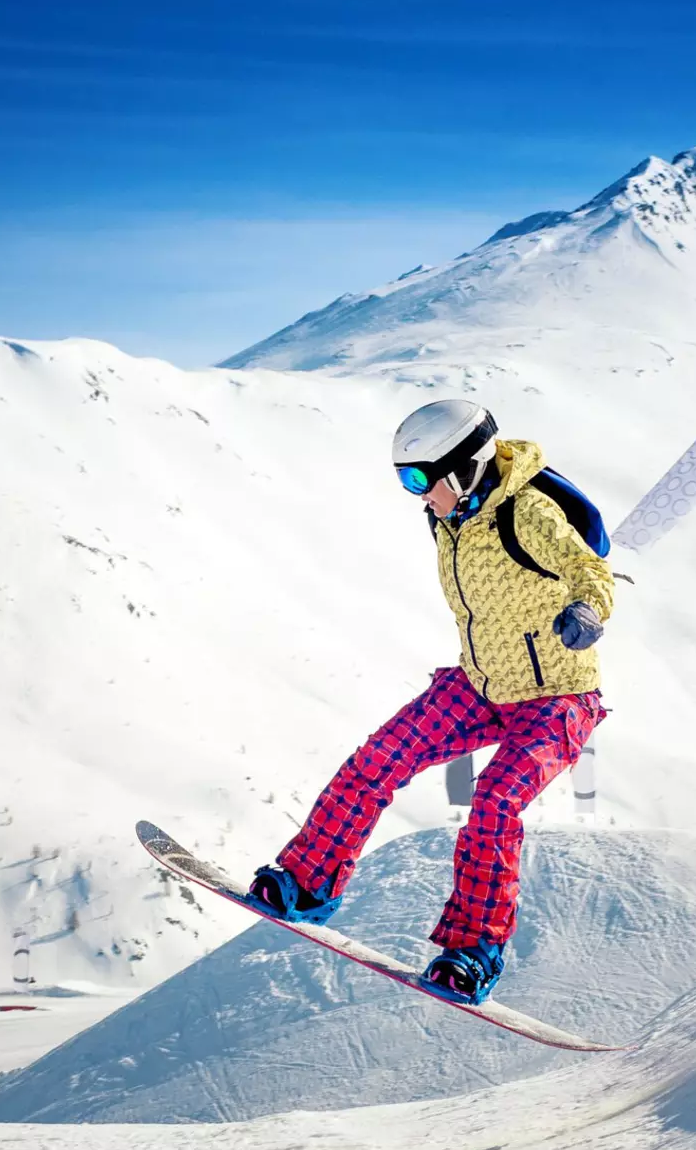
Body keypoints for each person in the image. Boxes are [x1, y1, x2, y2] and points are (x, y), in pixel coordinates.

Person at [248, 399, 614, 1003]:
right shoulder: (451, 518)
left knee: (494, 805)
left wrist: (587, 611)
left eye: (420, 479)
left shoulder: (529, 513)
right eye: (404, 480)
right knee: (379, 758)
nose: (416, 495)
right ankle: (308, 883)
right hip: (481, 684)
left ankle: (474, 952)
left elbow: (589, 569)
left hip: (556, 698)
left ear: (465, 468)